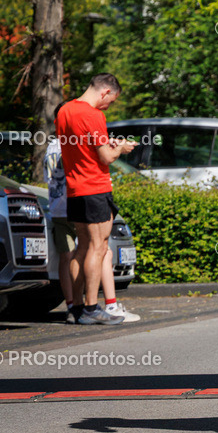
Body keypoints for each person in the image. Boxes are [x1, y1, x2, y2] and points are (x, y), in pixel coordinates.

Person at [55, 74, 137, 325]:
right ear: (105, 92)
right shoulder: (94, 115)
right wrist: (120, 147)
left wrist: (107, 143)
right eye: (111, 100)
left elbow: (82, 145)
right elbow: (106, 158)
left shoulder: (65, 111)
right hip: (94, 187)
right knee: (98, 247)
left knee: (82, 248)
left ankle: (76, 308)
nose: (109, 106)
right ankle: (91, 308)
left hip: (75, 188)